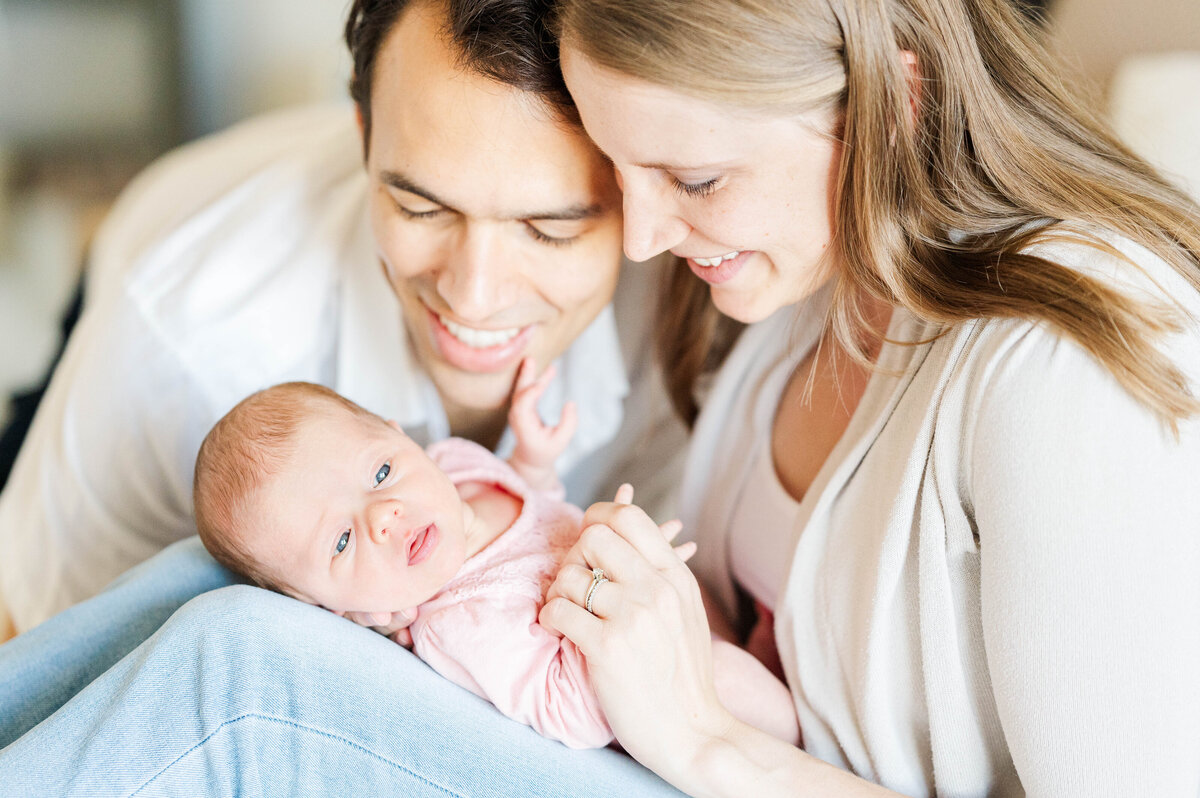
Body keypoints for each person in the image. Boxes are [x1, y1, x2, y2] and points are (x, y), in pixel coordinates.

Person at [0, 0, 692, 794]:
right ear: (362, 135)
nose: (474, 295)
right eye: (420, 206)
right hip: (129, 290)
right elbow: (37, 643)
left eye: (550, 229)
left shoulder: (685, 297)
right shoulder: (181, 352)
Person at [534, 0, 1200, 796]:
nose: (643, 240)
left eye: (696, 180)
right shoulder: (822, 264)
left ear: (891, 109)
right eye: (616, 164)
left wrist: (704, 743)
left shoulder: (1063, 371)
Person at [192, 377, 799, 749]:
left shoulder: (455, 466)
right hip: (655, 698)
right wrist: (590, 584)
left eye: (381, 472)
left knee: (710, 601)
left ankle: (751, 649)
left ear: (400, 436)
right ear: (328, 607)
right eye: (343, 541)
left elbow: (534, 505)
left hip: (664, 607)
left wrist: (533, 461)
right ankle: (795, 737)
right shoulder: (461, 623)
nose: (384, 515)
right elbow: (573, 718)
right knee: (743, 688)